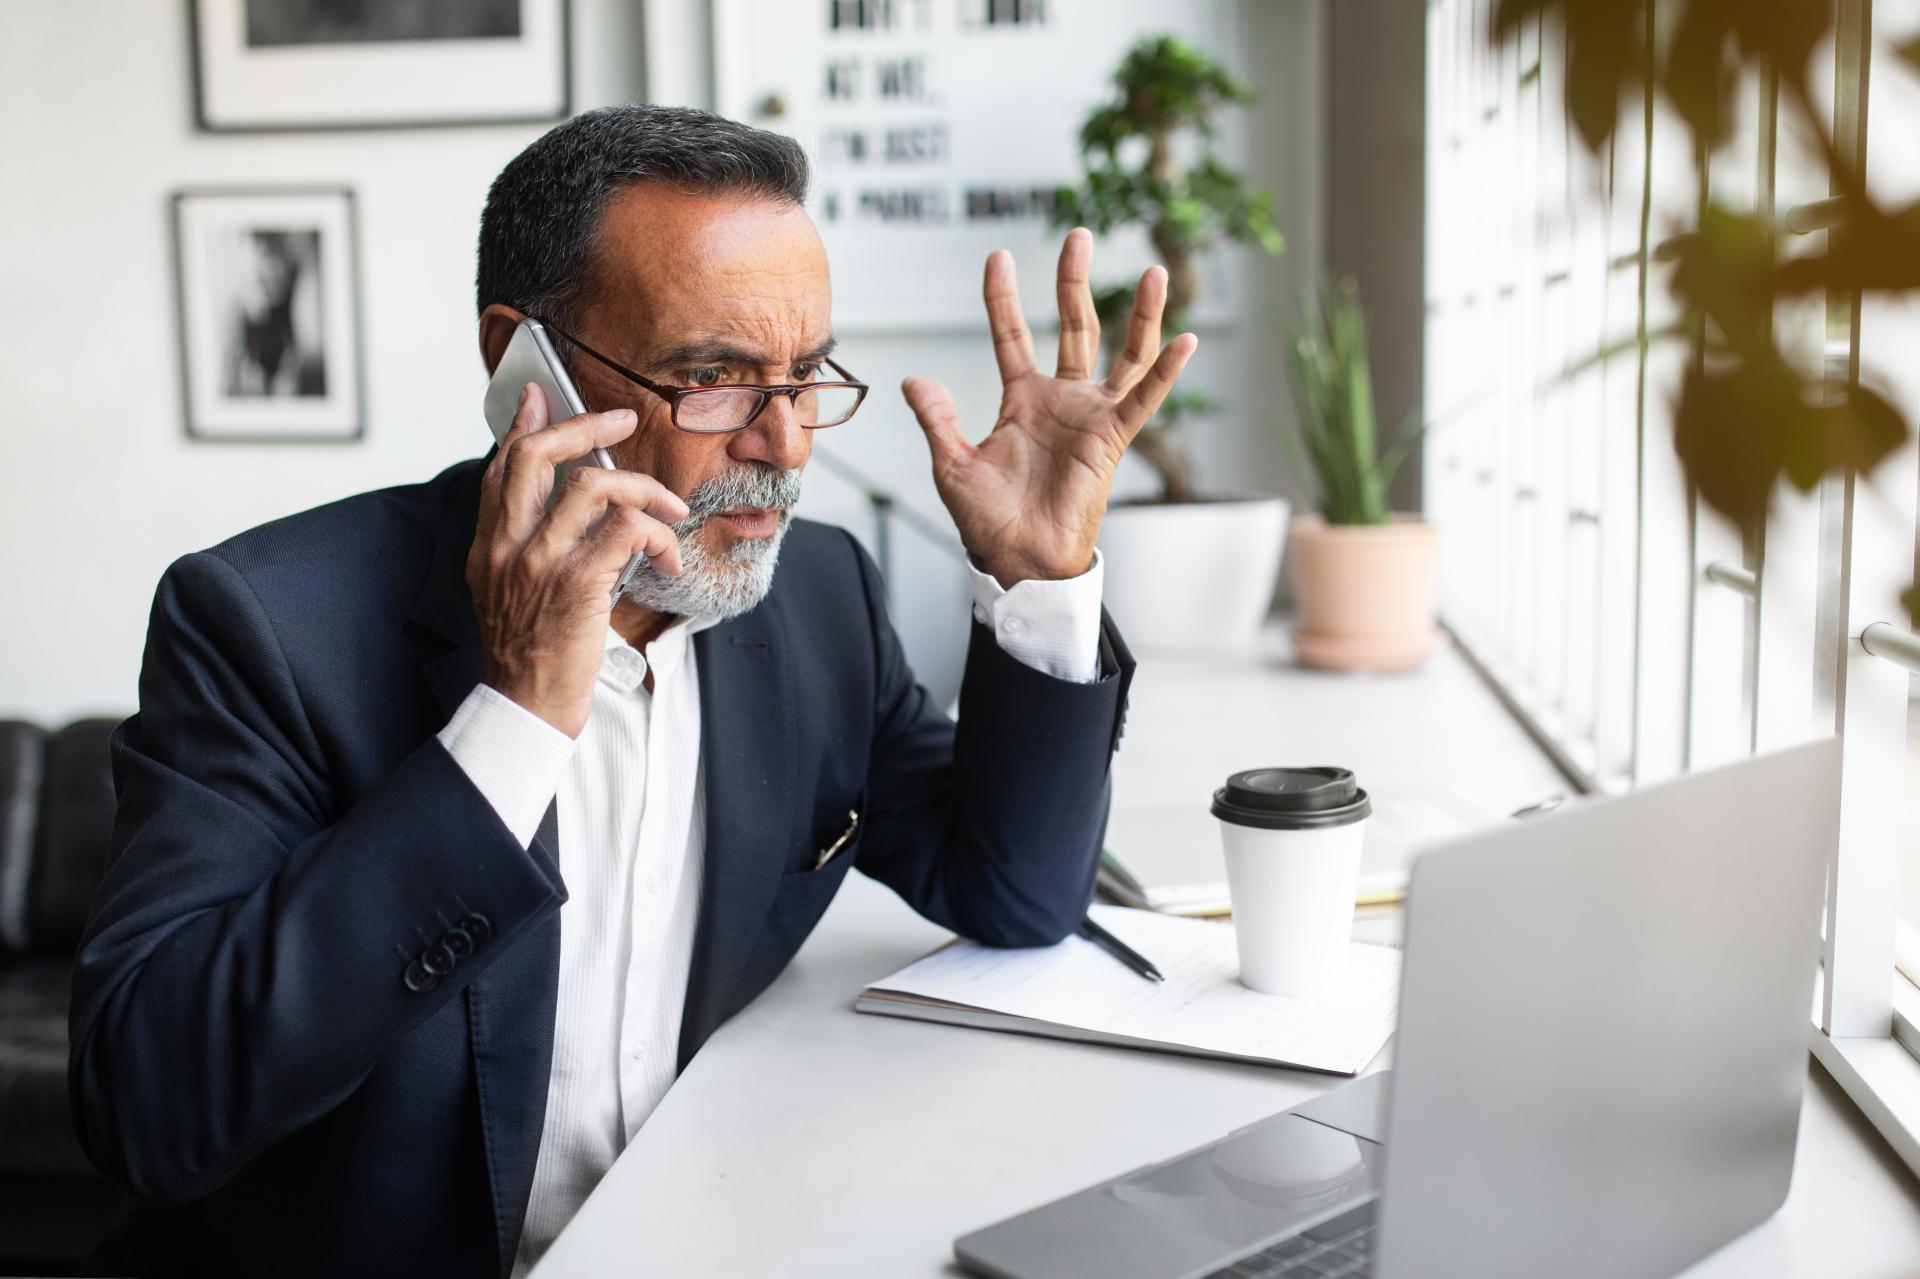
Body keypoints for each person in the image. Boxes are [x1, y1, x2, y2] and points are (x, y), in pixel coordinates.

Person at [69, 104, 1196, 1278]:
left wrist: (1040, 576)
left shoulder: (820, 602)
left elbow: (1015, 891)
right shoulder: (267, 623)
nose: (787, 442)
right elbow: (148, 1111)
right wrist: (511, 718)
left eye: (804, 374)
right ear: (524, 365)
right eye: (712, 377)